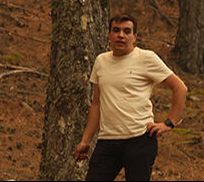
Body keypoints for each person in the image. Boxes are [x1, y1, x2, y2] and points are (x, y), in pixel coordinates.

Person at [74, 14, 188, 181]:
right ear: (109, 34)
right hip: (107, 140)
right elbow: (97, 104)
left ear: (134, 37)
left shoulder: (146, 58)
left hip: (140, 139)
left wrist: (169, 123)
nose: (121, 35)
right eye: (116, 30)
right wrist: (86, 140)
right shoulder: (101, 61)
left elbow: (180, 88)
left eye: (127, 31)